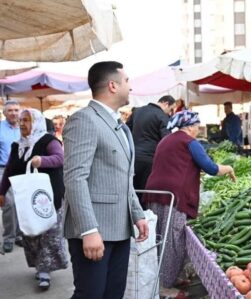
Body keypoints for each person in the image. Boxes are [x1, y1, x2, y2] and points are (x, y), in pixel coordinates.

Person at [63, 61, 148, 299]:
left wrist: (138, 213)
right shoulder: (84, 120)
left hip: (121, 228)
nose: (130, 87)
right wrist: (88, 230)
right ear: (113, 85)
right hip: (94, 230)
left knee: (114, 294)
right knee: (90, 294)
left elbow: (124, 177)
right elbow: (75, 179)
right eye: (127, 81)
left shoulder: (120, 126)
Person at [143, 110, 235, 291]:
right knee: (174, 238)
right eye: (197, 126)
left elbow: (174, 163)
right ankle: (167, 284)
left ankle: (161, 277)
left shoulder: (166, 140)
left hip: (154, 192)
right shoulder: (190, 142)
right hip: (174, 195)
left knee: (160, 235)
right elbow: (211, 168)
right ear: (191, 127)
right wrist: (229, 168)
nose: (198, 130)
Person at [0, 109, 68, 290]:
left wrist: (42, 161)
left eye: (27, 120)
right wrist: (1, 191)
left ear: (36, 122)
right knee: (31, 234)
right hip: (27, 200)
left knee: (48, 233)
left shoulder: (48, 141)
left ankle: (45, 271)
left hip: (48, 198)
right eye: (21, 120)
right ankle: (39, 266)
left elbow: (60, 158)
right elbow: (9, 170)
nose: (22, 123)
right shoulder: (18, 145)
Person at [128, 95, 176, 204]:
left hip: (133, 158)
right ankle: (144, 218)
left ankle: (132, 219)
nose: (170, 113)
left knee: (133, 192)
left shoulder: (138, 111)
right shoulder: (162, 117)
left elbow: (126, 130)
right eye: (171, 109)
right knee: (146, 194)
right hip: (150, 160)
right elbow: (167, 141)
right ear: (166, 104)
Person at [0, 100, 21, 253]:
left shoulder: (25, 125)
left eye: (16, 110)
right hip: (3, 170)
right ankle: (8, 237)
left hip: (23, 170)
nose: (14, 113)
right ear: (4, 113)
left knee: (21, 203)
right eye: (10, 110)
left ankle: (20, 235)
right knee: (9, 204)